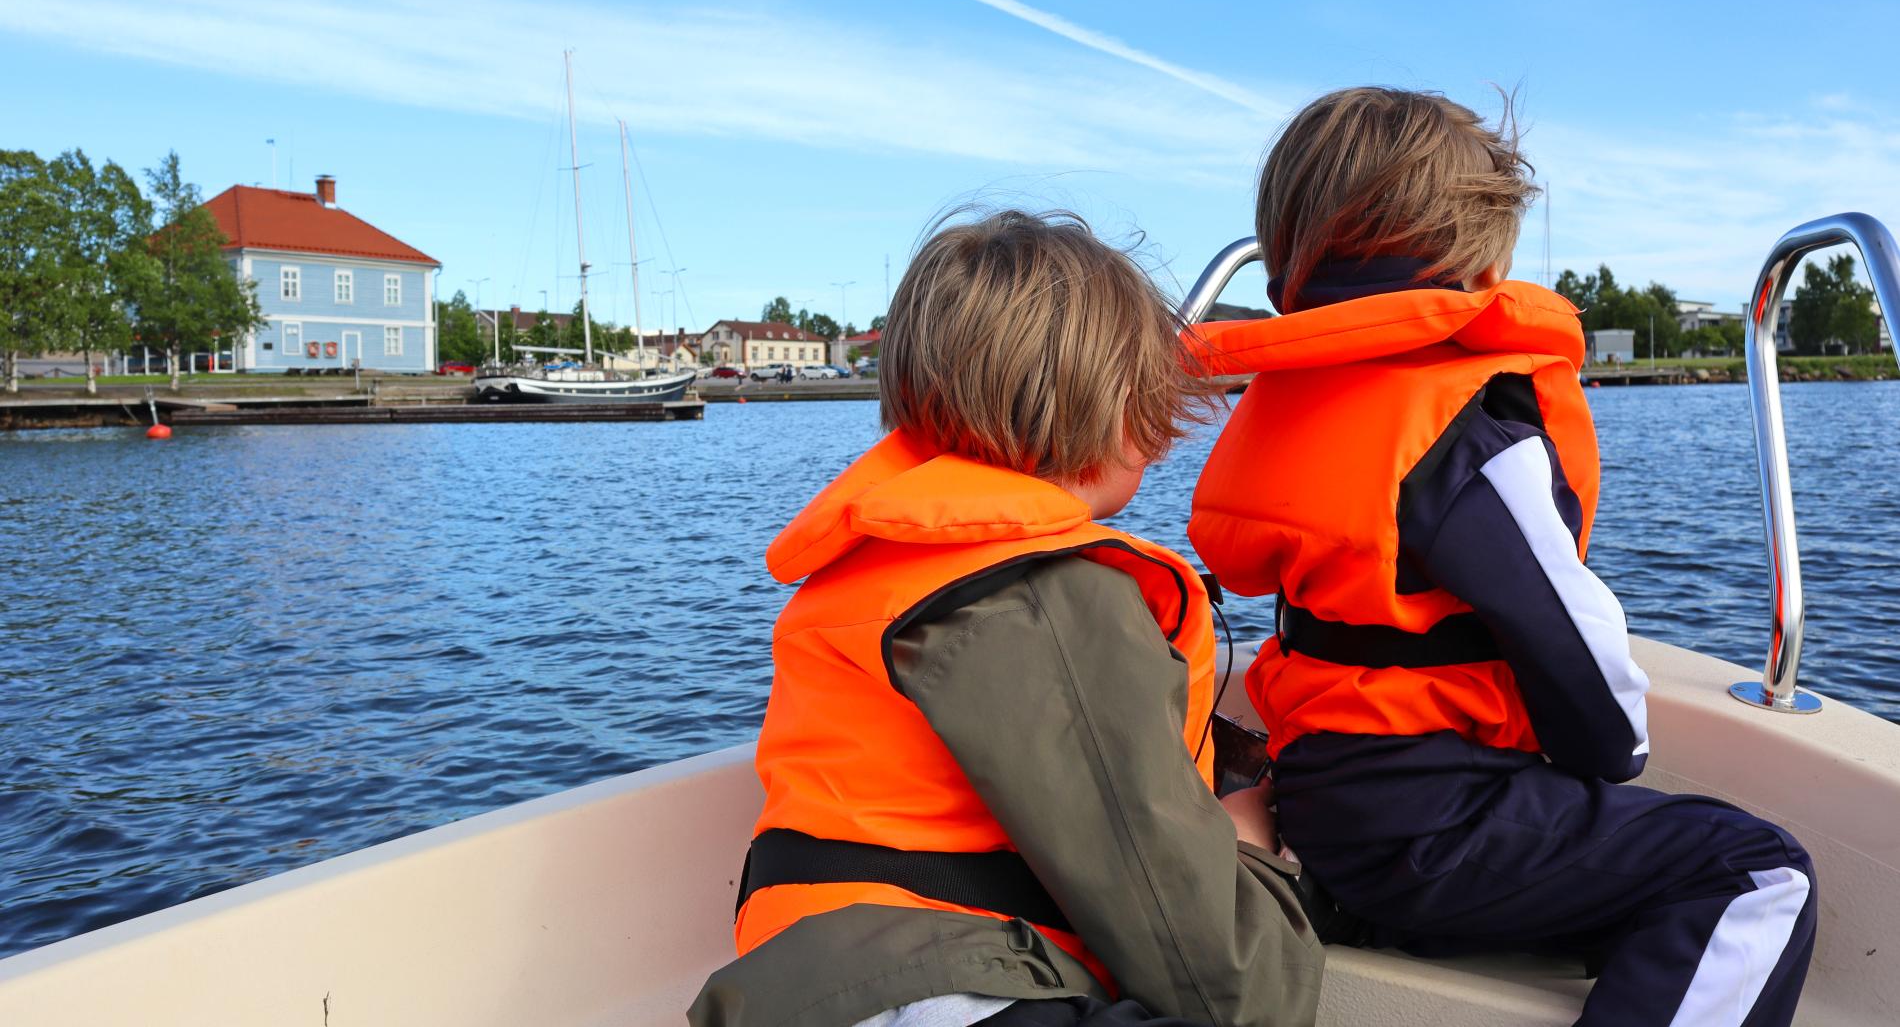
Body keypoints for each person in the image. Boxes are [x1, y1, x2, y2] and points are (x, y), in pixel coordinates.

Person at [1188, 87, 1817, 1027]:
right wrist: (1613, 755)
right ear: (1475, 251)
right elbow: (1577, 652)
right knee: (1757, 873)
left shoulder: (1294, 408)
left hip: (1325, 802)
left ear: (1290, 254)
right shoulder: (1466, 431)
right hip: (1434, 821)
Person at [691, 210, 1323, 1027]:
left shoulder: (878, 572)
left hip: (808, 985)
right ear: (1121, 405)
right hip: (948, 995)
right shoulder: (1041, 602)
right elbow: (1236, 989)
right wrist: (1245, 846)